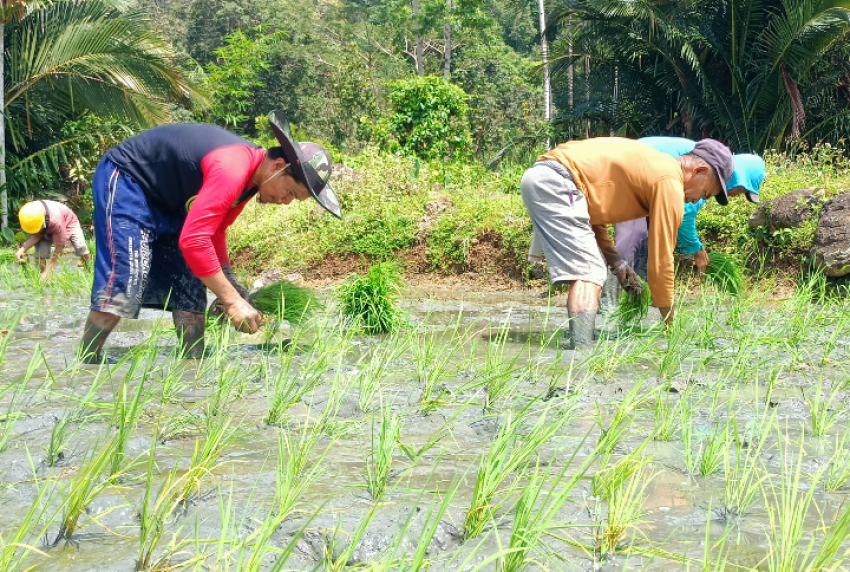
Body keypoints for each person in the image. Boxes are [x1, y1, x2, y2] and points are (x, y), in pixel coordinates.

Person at [80, 111, 341, 362]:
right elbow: (194, 240)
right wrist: (232, 300)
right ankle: (86, 362)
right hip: (130, 180)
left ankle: (192, 365)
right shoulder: (233, 168)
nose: (285, 202)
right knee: (125, 280)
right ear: (279, 165)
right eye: (291, 193)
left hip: (173, 201)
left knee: (191, 287)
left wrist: (231, 282)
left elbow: (214, 230)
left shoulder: (251, 183)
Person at [521, 137, 733, 348]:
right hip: (559, 184)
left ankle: (580, 343)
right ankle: (581, 352)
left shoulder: (653, 166)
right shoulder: (669, 181)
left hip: (546, 177)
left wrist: (617, 263)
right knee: (590, 273)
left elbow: (591, 218)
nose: (697, 200)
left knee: (592, 268)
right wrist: (671, 324)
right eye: (704, 193)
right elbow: (661, 261)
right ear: (699, 171)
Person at [614, 137, 765, 279]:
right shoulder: (707, 175)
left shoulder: (710, 167)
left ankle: (639, 295)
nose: (737, 195)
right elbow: (684, 215)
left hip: (639, 173)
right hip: (632, 171)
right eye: (743, 191)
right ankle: (609, 304)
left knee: (646, 238)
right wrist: (696, 249)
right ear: (740, 180)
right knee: (632, 238)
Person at [16, 200, 91, 279]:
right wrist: (22, 249)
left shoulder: (56, 222)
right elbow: (37, 234)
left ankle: (89, 270)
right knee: (40, 254)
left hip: (68, 222)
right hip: (45, 223)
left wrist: (48, 270)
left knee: (81, 247)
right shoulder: (29, 213)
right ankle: (43, 275)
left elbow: (59, 249)